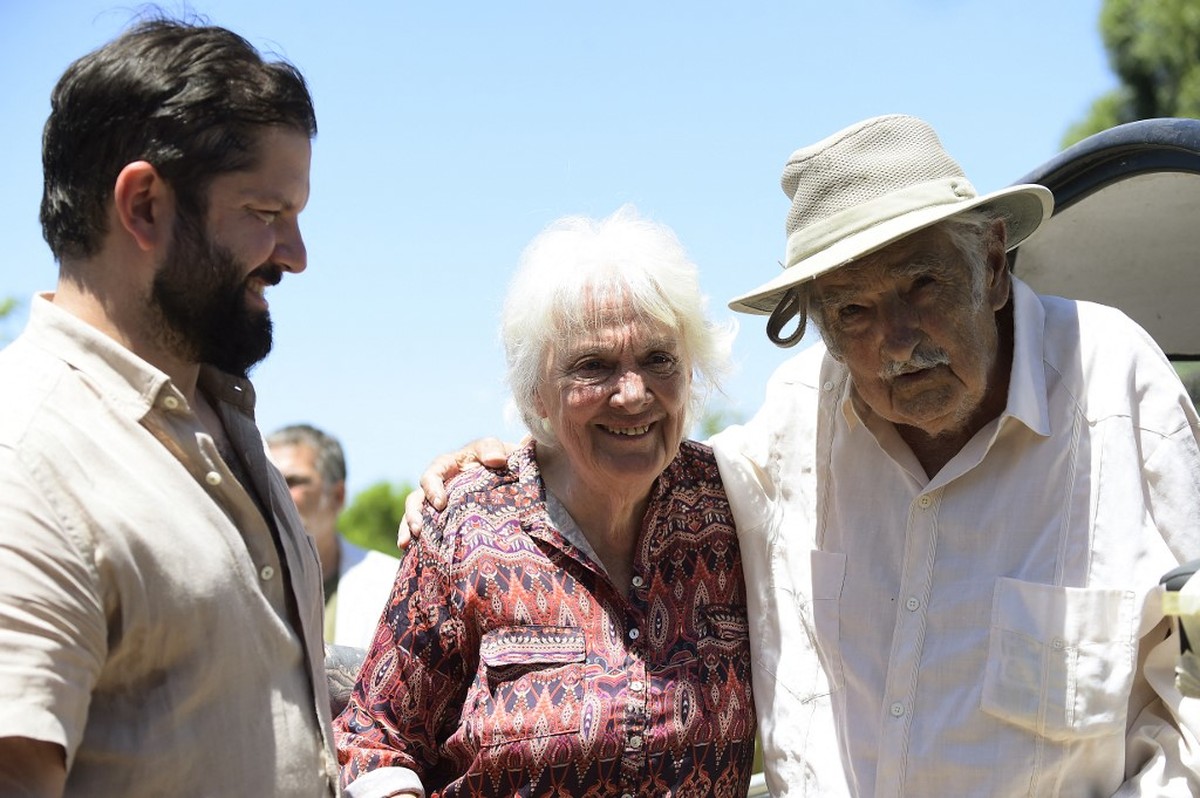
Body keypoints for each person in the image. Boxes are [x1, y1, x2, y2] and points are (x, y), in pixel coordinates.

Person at [407, 115, 1200, 795]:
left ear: (992, 263)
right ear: (816, 323)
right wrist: (503, 473)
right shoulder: (789, 425)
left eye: (923, 285)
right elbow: (625, 451)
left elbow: (1190, 702)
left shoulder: (1119, 391)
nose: (897, 340)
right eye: (854, 310)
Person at [0, 17, 337, 796]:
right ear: (145, 205)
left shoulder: (218, 423)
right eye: (265, 212)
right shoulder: (26, 460)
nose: (296, 254)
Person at [335, 206, 757, 797]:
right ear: (536, 388)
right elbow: (371, 736)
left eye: (658, 359)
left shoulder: (734, 504)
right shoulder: (470, 524)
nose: (633, 394)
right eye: (594, 366)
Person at [268, 423, 400, 649]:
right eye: (267, 480)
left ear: (337, 496)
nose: (275, 493)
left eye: (292, 482)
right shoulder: (235, 582)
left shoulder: (391, 583)